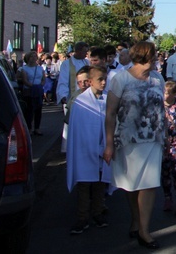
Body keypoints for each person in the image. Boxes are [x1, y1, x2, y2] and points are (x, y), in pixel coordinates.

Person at [104, 42, 166, 250]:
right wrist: (109, 143)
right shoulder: (121, 79)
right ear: (145, 56)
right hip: (129, 140)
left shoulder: (158, 78)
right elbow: (110, 113)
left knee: (149, 184)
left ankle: (144, 230)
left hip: (152, 138)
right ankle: (136, 220)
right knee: (131, 185)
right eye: (154, 54)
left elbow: (162, 107)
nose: (157, 57)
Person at [66, 66, 113, 234]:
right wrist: (92, 147)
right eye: (100, 79)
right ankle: (82, 217)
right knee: (84, 185)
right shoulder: (80, 102)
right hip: (85, 151)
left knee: (100, 184)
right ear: (90, 81)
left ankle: (98, 213)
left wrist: (106, 146)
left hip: (103, 150)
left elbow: (112, 124)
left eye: (105, 79)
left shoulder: (108, 99)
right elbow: (78, 130)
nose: (103, 82)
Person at [161, 80, 176, 214]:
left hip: (175, 142)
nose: (165, 95)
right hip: (163, 144)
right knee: (164, 173)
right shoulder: (159, 107)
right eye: (164, 92)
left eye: (167, 93)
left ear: (175, 94)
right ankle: (167, 198)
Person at [18, 51, 46, 135]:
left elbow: (43, 79)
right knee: (29, 110)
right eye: (31, 57)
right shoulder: (24, 69)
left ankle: (37, 128)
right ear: (27, 58)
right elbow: (25, 80)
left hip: (38, 91)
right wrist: (33, 86)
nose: (33, 58)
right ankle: (29, 128)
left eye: (35, 56)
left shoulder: (40, 68)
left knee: (38, 109)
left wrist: (40, 85)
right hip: (29, 91)